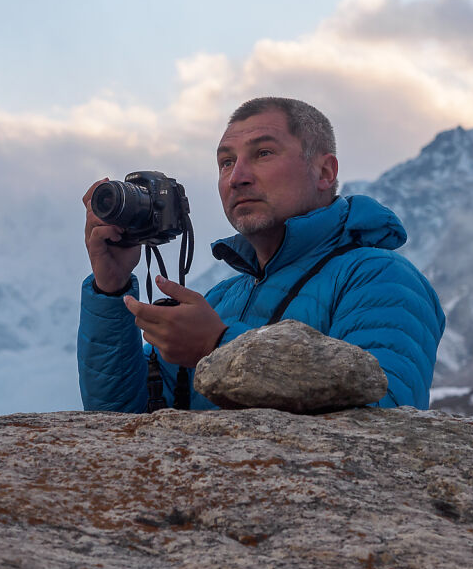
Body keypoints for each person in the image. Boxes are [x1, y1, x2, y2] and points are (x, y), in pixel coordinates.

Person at [78, 97, 445, 412]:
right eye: (225, 162)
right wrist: (111, 290)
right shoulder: (221, 300)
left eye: (263, 153)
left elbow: (385, 418)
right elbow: (118, 420)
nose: (237, 176)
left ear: (324, 171)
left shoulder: (380, 278)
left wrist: (216, 347)